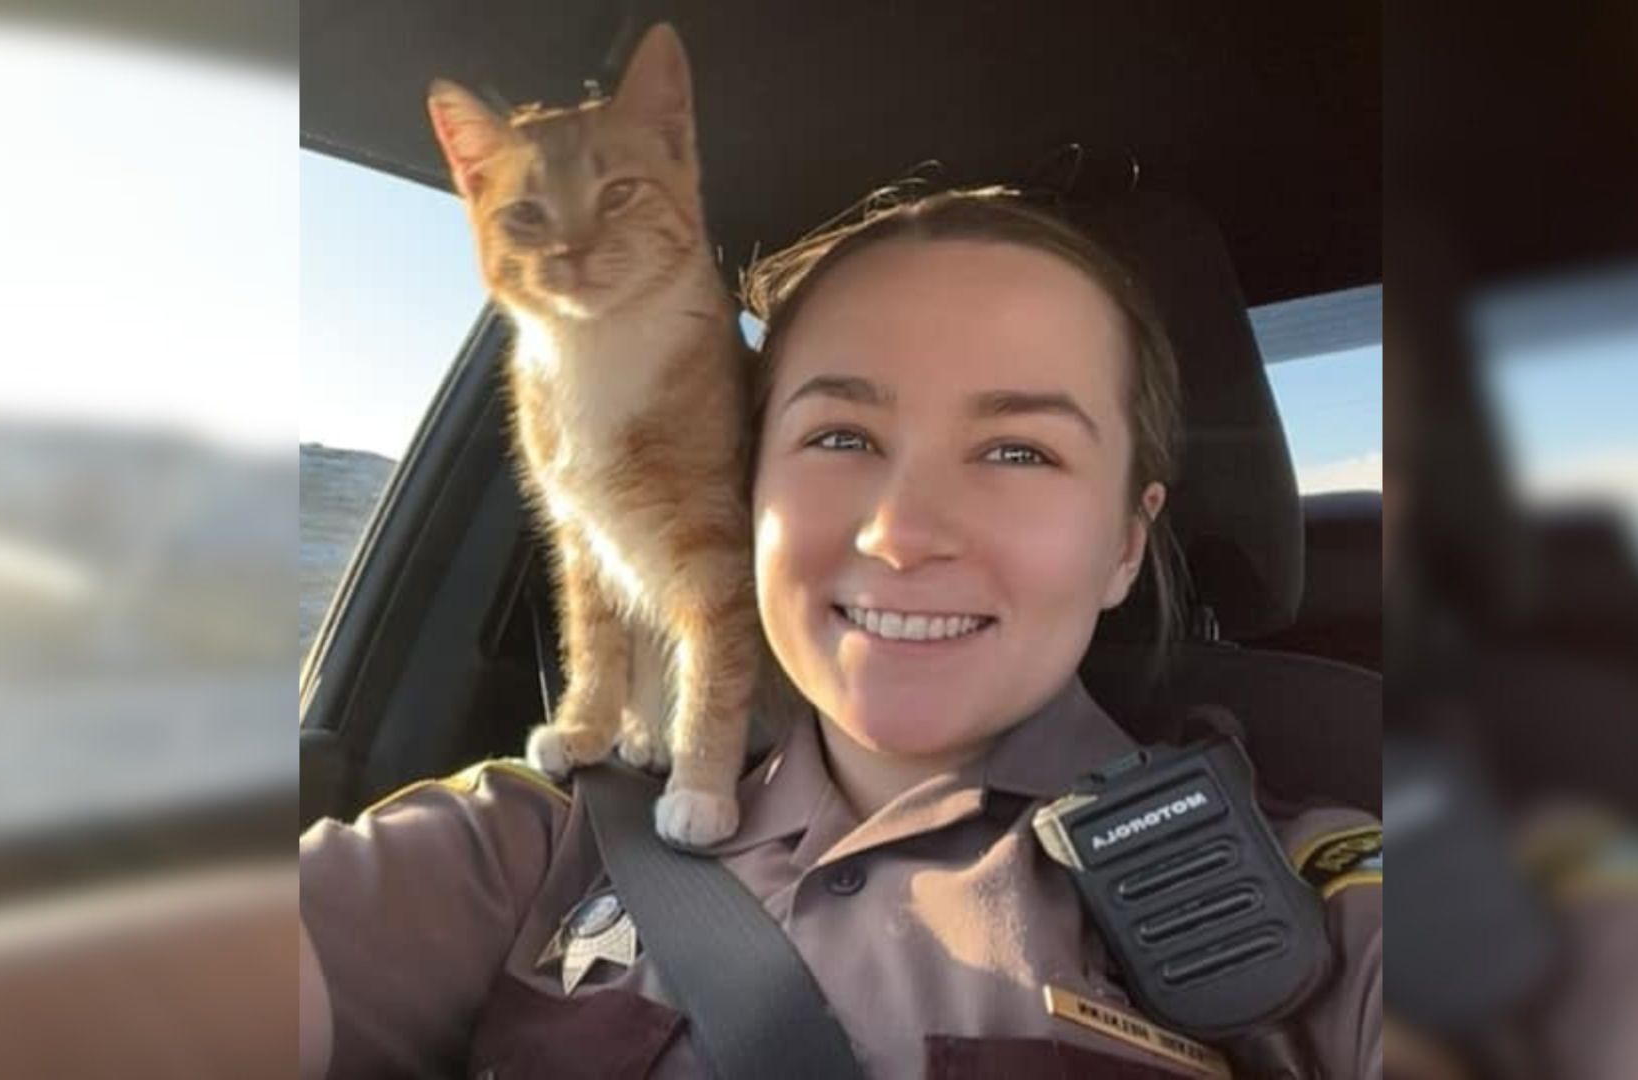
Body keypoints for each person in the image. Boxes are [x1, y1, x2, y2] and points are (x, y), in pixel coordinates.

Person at [298, 190, 1382, 1079]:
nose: (901, 533)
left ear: (1125, 547)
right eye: (841, 434)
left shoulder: (1304, 900)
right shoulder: (534, 841)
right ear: (747, 486)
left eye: (1018, 453)